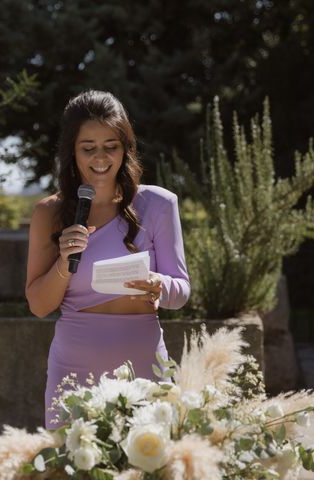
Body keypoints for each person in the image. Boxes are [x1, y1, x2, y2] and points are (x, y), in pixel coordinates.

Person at [25, 90, 190, 427]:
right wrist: (63, 261)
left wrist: (159, 285)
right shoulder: (50, 213)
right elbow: (39, 305)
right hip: (73, 373)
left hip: (144, 370)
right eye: (88, 148)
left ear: (125, 147)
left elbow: (182, 291)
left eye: (110, 146)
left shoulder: (158, 205)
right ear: (72, 151)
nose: (100, 158)